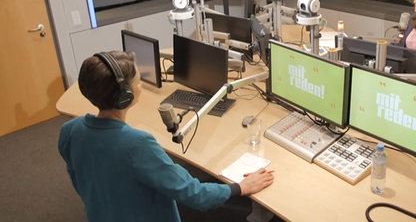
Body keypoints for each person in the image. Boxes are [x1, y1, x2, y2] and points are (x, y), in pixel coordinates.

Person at [58, 51, 274, 222]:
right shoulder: (137, 145)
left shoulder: (70, 130)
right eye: (138, 80)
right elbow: (195, 195)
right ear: (125, 96)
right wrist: (241, 187)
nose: (141, 83)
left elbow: (80, 180)